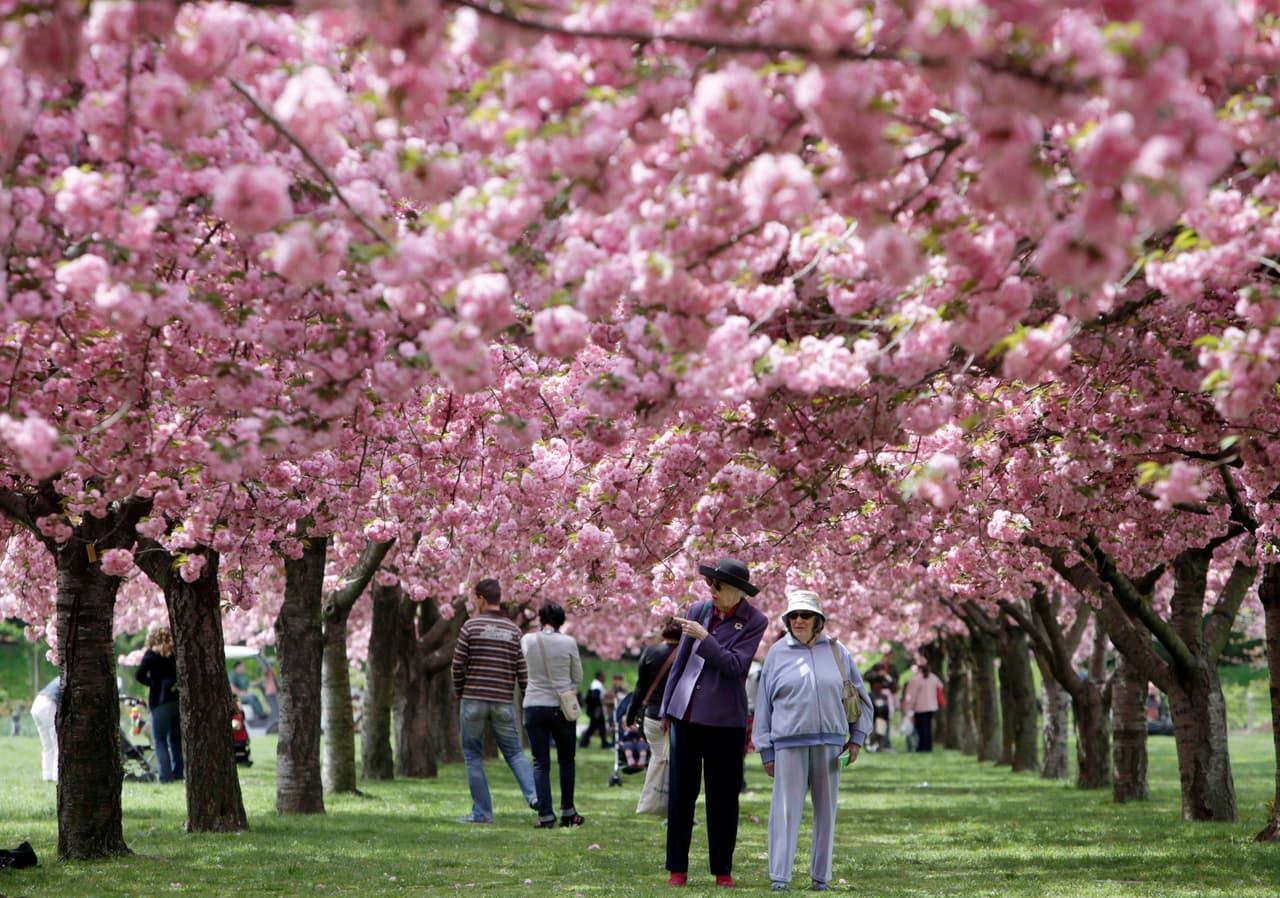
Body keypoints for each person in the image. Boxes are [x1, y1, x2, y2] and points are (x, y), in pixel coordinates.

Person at [659, 557, 768, 889]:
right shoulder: (698, 610)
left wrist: (706, 638)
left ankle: (723, 870)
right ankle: (677, 869)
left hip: (725, 722)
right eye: (710, 584)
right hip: (687, 715)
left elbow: (736, 666)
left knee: (722, 798)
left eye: (718, 586)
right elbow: (680, 661)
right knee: (681, 795)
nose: (712, 591)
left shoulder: (754, 621)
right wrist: (666, 707)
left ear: (737, 592)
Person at [754, 590, 872, 892]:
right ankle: (780, 877)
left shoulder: (837, 650)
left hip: (831, 745)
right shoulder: (777, 654)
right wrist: (766, 750)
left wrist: (856, 739)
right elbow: (763, 706)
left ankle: (821, 877)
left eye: (805, 615)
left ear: (818, 620)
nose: (798, 620)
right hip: (788, 744)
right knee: (784, 811)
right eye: (793, 615)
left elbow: (858, 695)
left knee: (826, 813)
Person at [451, 577, 538, 824]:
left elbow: (458, 665)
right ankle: (534, 797)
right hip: (502, 700)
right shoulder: (513, 630)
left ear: (480, 598)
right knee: (514, 752)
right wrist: (524, 698)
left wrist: (460, 691)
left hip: (473, 698)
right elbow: (522, 670)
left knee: (472, 755)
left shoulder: (471, 626)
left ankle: (482, 813)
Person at [520, 601, 585, 829]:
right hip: (561, 707)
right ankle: (568, 810)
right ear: (561, 620)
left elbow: (524, 667)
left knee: (540, 763)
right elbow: (577, 677)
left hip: (534, 705)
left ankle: (545, 815)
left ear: (540, 618)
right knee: (567, 761)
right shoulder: (568, 642)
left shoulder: (528, 640)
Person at [627, 615, 682, 816]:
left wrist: (630, 715)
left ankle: (658, 802)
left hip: (652, 715)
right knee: (679, 763)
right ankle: (678, 809)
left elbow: (640, 687)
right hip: (679, 716)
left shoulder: (650, 652)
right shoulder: (687, 654)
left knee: (659, 758)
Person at [136, 623, 184, 783]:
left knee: (160, 740)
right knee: (176, 739)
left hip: (160, 701)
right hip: (177, 700)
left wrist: (153, 683)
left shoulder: (151, 654)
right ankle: (179, 773)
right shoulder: (176, 653)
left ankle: (166, 776)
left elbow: (139, 675)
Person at [901, 660, 944, 752]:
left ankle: (923, 747)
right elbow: (940, 686)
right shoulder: (933, 677)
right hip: (932, 706)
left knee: (922, 728)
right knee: (928, 727)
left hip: (920, 708)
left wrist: (906, 708)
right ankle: (928, 746)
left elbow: (911, 696)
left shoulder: (916, 679)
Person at [31, 678, 60, 782]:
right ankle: (57, 776)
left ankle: (47, 775)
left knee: (47, 746)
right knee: (58, 744)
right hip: (48, 705)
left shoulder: (59, 677)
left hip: (36, 704)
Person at [579, 671, 609, 749]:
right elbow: (594, 698)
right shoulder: (597, 685)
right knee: (594, 726)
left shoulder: (596, 684)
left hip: (595, 710)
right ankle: (584, 742)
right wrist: (598, 707)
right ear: (599, 677)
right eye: (603, 676)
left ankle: (603, 742)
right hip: (596, 710)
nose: (605, 678)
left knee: (598, 726)